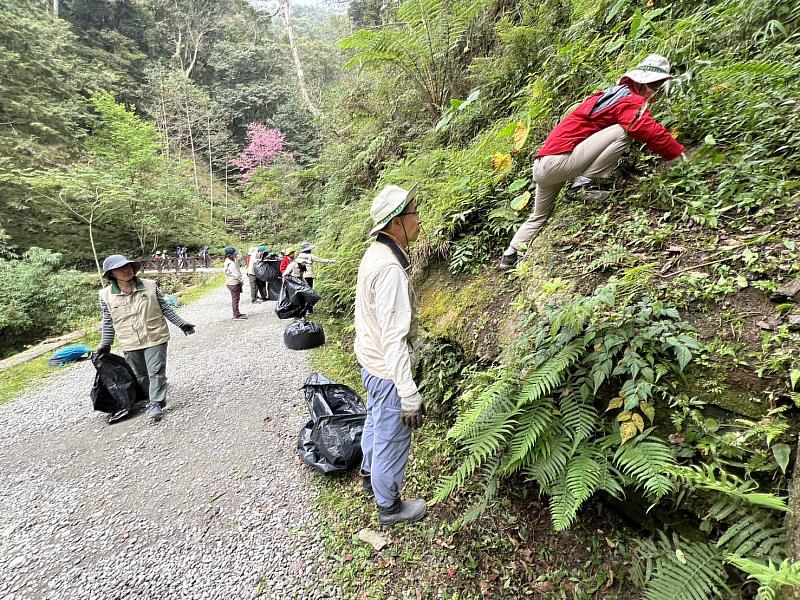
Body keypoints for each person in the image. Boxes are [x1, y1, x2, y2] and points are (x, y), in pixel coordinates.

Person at [498, 54, 686, 270]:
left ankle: (509, 256)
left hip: (543, 165)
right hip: (559, 162)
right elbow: (644, 127)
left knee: (539, 215)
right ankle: (585, 183)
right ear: (644, 84)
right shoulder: (629, 100)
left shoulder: (607, 96)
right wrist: (677, 155)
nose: (656, 90)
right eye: (656, 85)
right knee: (624, 131)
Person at [355, 184, 426, 526]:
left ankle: (370, 475)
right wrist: (408, 391)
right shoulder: (390, 271)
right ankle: (389, 506)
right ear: (396, 223)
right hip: (386, 370)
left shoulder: (375, 254)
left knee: (375, 421)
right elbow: (394, 337)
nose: (419, 220)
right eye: (414, 213)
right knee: (392, 436)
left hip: (369, 360)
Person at [96, 255, 196, 423]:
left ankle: (155, 403)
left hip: (155, 335)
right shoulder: (105, 295)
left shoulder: (150, 286)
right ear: (112, 274)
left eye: (128, 266)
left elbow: (165, 308)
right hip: (129, 340)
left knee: (155, 370)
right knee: (140, 375)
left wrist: (182, 324)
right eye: (121, 269)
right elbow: (108, 320)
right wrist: (105, 343)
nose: (126, 270)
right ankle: (155, 396)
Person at [224, 246, 247, 320]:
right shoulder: (231, 263)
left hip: (230, 282)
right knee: (235, 300)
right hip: (233, 283)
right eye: (234, 254)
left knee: (236, 299)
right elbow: (236, 274)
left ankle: (237, 313)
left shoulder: (228, 261)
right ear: (230, 255)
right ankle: (236, 315)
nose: (235, 255)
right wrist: (241, 280)